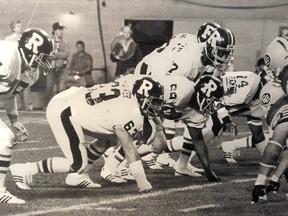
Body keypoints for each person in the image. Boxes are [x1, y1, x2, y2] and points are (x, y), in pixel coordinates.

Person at [10, 76, 165, 193]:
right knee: (76, 164)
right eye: (153, 101)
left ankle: (77, 177)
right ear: (142, 97)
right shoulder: (127, 111)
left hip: (73, 98)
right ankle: (25, 169)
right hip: (63, 110)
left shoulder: (131, 91)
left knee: (108, 140)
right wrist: (142, 182)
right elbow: (129, 149)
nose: (156, 106)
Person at [99, 74, 226, 183]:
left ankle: (119, 160)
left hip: (151, 109)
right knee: (135, 132)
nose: (211, 106)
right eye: (210, 101)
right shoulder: (183, 89)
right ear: (202, 94)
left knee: (159, 145)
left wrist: (208, 171)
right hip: (137, 94)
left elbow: (198, 141)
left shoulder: (197, 114)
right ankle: (110, 167)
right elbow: (150, 92)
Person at [0, 28, 53, 204]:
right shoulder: (7, 55)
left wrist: (14, 120)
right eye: (43, 56)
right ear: (32, 50)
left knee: (7, 138)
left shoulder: (31, 73)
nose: (45, 61)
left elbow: (9, 95)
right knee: (4, 139)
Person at [251, 36, 288, 204]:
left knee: (280, 137)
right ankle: (266, 182)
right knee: (280, 136)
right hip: (279, 102)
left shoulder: (272, 82)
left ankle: (267, 182)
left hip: (276, 104)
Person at [5, 20, 33, 111]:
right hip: (14, 66)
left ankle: (28, 107)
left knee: (26, 85)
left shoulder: (25, 39)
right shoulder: (8, 39)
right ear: (13, 28)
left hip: (24, 66)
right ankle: (17, 107)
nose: (21, 28)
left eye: (21, 26)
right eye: (18, 26)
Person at [43, 22, 70, 110]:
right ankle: (46, 106)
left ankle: (61, 107)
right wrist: (53, 55)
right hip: (51, 68)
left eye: (62, 30)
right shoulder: (49, 42)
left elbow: (66, 54)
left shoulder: (65, 42)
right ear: (54, 31)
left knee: (61, 88)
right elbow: (46, 54)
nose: (61, 32)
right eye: (59, 30)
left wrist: (55, 55)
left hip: (62, 68)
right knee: (49, 87)